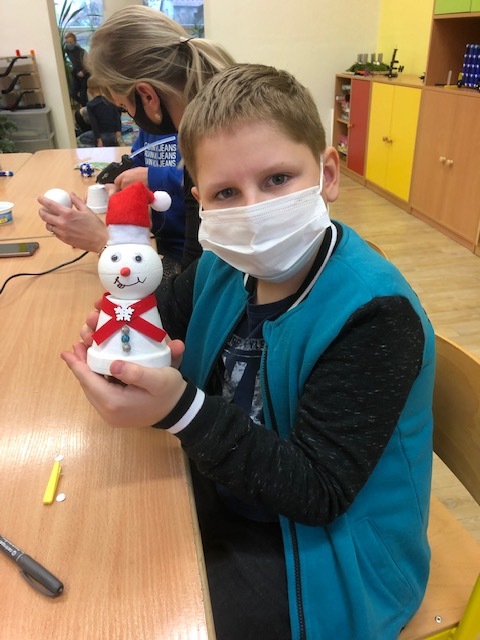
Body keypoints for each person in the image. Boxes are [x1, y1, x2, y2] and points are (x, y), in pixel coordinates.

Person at [61, 63, 436, 639]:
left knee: (148, 612)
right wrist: (125, 338)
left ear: (327, 174)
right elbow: (164, 316)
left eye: (278, 178)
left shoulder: (375, 314)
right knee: (99, 558)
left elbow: (319, 491)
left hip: (330, 558)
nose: (254, 210)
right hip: (230, 487)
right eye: (227, 193)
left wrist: (178, 408)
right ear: (200, 202)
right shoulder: (222, 263)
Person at [38, 6, 235, 274]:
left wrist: (105, 244)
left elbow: (193, 289)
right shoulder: (210, 133)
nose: (130, 115)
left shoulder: (213, 153)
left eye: (124, 107)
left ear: (147, 96)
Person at [76, 77, 123, 148]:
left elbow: (94, 123)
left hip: (102, 136)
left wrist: (98, 139)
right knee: (126, 128)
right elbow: (117, 117)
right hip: (114, 135)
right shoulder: (110, 100)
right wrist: (118, 132)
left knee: (82, 138)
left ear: (89, 90)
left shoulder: (90, 105)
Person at [64, 32, 89, 107]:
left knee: (83, 96)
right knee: (73, 94)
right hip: (76, 75)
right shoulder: (66, 50)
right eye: (67, 42)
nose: (69, 44)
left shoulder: (82, 51)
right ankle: (86, 106)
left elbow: (89, 64)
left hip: (85, 75)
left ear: (75, 42)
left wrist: (83, 72)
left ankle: (86, 108)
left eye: (71, 42)